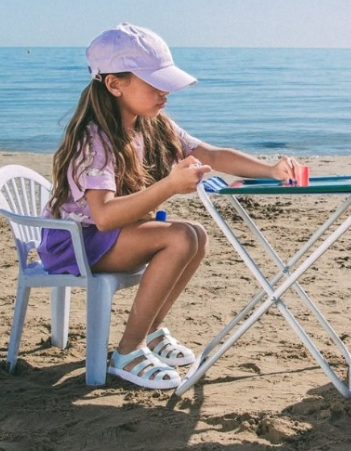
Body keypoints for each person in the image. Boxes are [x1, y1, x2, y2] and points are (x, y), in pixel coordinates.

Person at [40, 22, 298, 390]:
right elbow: (105, 215)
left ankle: (152, 329)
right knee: (178, 237)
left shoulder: (153, 124)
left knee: (196, 234)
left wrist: (269, 170)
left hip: (105, 236)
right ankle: (128, 351)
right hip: (77, 243)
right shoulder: (94, 137)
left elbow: (209, 153)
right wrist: (169, 186)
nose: (165, 92)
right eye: (154, 83)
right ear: (115, 84)